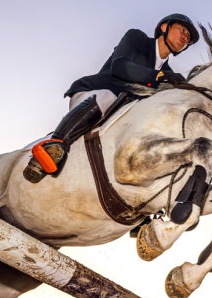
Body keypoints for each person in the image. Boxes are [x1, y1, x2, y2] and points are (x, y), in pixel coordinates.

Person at [23, 13, 200, 183]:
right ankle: (54, 146)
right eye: (183, 30)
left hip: (117, 115)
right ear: (164, 27)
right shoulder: (137, 38)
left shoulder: (168, 73)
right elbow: (121, 67)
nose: (186, 38)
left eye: (189, 39)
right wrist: (160, 76)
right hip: (93, 95)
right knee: (108, 96)